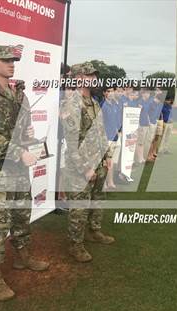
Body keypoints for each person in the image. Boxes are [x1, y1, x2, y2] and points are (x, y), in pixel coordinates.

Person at [0, 45, 49, 301]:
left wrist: (29, 138)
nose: (11, 64)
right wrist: (19, 152)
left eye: (13, 60)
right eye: (5, 60)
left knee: (21, 217)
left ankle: (23, 258)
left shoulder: (19, 95)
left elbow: (23, 129)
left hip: (19, 171)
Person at [61, 62, 115, 263]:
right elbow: (72, 142)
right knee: (80, 207)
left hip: (98, 162)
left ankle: (94, 231)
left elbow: (100, 133)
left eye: (94, 75)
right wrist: (85, 168)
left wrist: (108, 156)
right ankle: (75, 245)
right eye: (89, 75)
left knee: (98, 199)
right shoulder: (71, 104)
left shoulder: (93, 101)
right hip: (80, 167)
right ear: (78, 78)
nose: (93, 78)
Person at [101, 86, 122, 189]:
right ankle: (103, 182)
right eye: (108, 91)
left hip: (115, 138)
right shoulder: (103, 106)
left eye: (112, 91)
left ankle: (110, 181)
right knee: (105, 162)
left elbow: (117, 119)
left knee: (112, 162)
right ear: (104, 93)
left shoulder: (115, 105)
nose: (111, 93)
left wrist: (118, 130)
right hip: (107, 138)